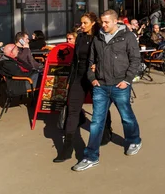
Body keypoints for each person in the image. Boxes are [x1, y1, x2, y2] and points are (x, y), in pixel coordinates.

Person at [72, 10, 142, 172]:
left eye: (106, 22)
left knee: (126, 116)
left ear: (116, 21)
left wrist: (127, 80)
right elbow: (91, 60)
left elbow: (135, 59)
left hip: (120, 85)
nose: (103, 25)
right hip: (101, 86)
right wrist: (92, 78)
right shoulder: (98, 37)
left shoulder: (127, 36)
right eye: (102, 22)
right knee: (96, 122)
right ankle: (91, 156)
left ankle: (134, 140)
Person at [54, 13, 113, 163]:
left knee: (99, 108)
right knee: (73, 110)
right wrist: (70, 79)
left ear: (93, 23)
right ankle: (67, 148)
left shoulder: (100, 37)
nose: (82, 26)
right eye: (81, 23)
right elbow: (75, 60)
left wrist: (98, 68)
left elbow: (107, 57)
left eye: (85, 23)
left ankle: (106, 132)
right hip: (79, 77)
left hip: (95, 78)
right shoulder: (80, 37)